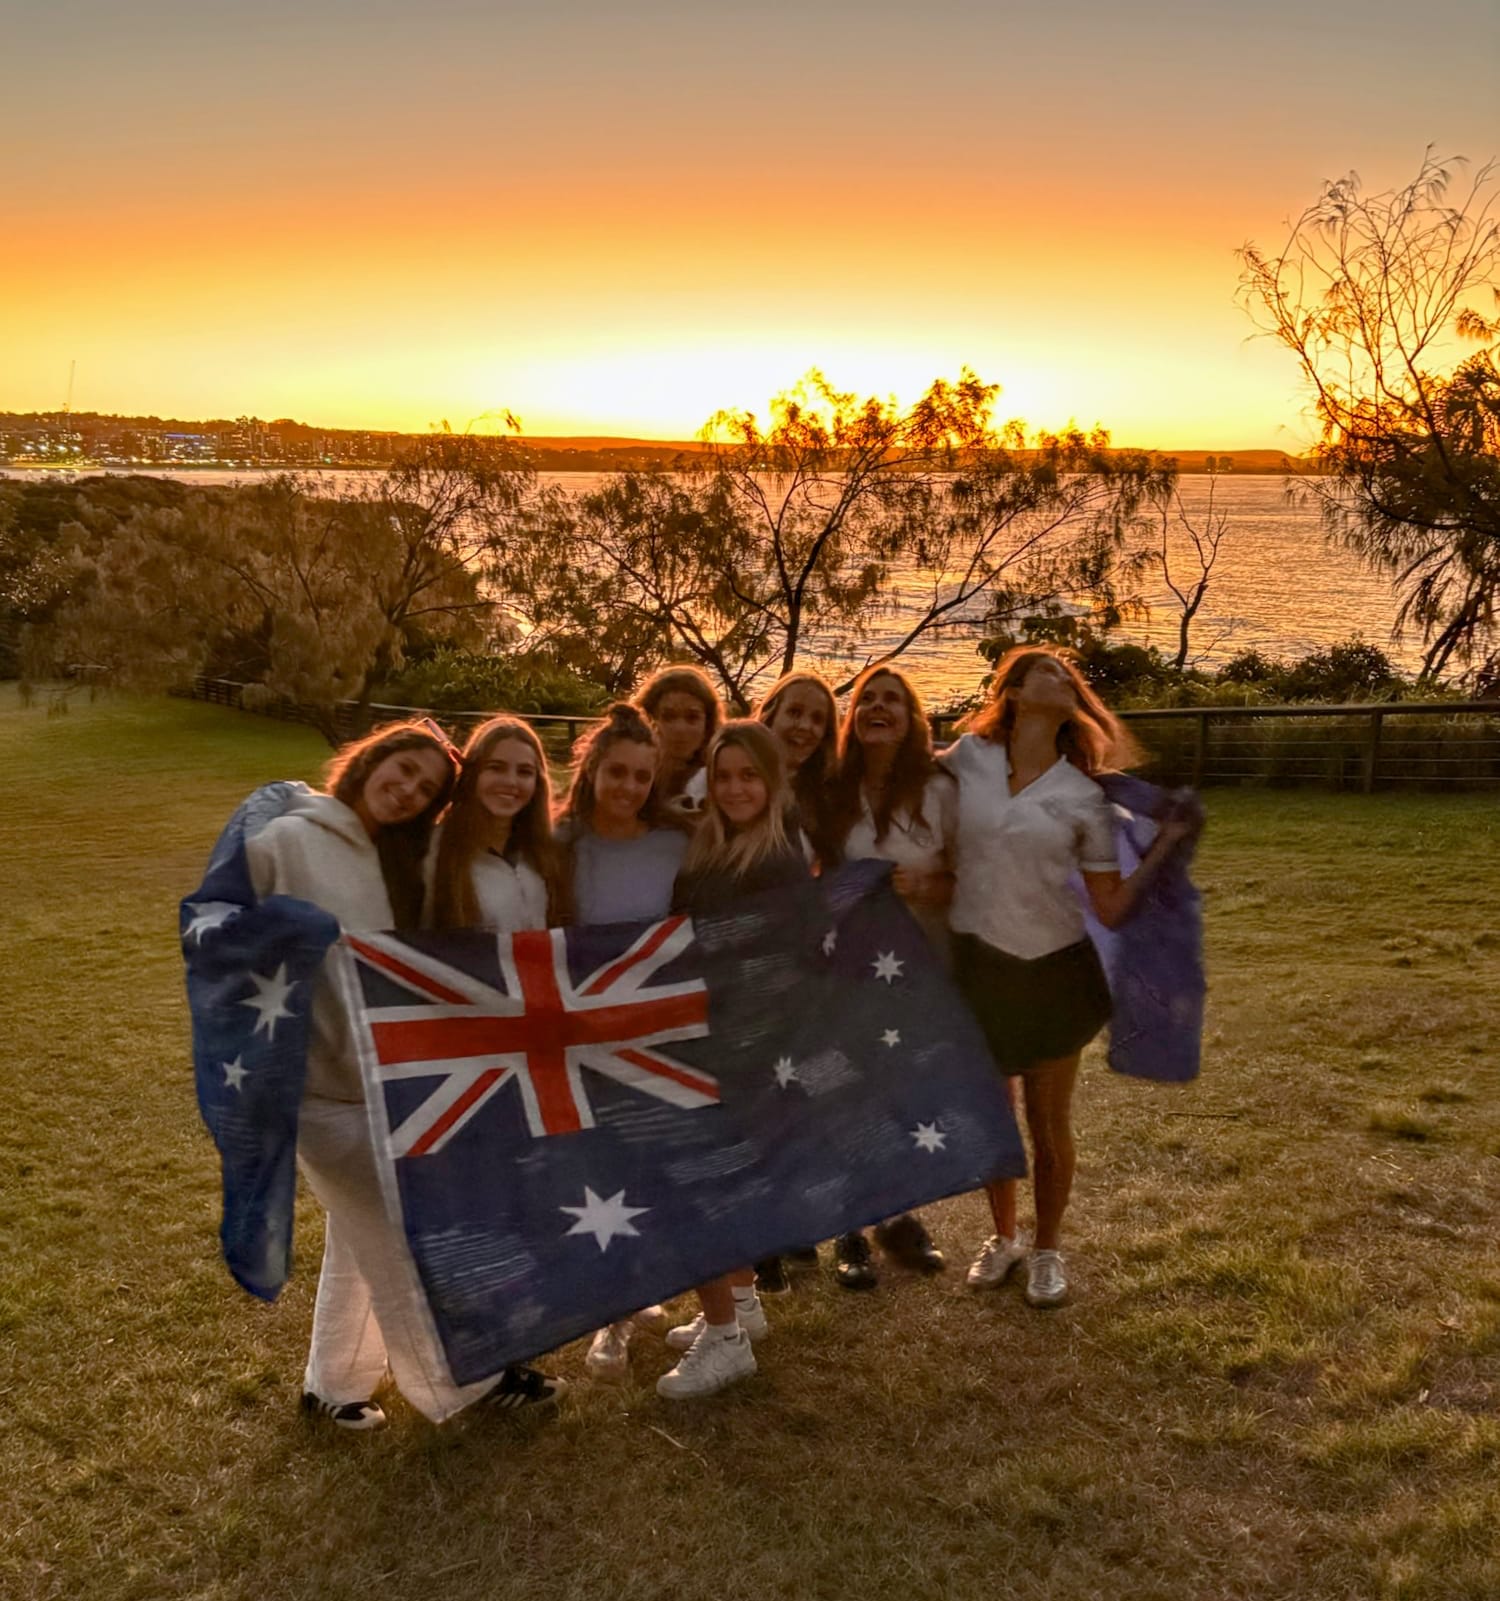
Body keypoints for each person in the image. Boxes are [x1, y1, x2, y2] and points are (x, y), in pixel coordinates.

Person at [244, 719, 565, 1427]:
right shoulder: (292, 837)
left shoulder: (397, 856)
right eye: (402, 769)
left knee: (357, 1233)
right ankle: (469, 1379)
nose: (409, 789)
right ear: (369, 758)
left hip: (384, 1078)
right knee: (401, 1232)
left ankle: (331, 1382)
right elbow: (228, 922)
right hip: (319, 1080)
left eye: (426, 786)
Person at [945, 647, 1198, 1308]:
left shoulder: (1083, 796)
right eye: (1047, 672)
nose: (1063, 679)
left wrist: (1165, 847)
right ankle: (1002, 1238)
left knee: (1047, 1122)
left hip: (1054, 970)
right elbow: (898, 789)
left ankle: (1049, 1250)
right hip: (978, 965)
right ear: (1016, 691)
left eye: (1069, 676)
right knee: (992, 1117)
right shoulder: (966, 760)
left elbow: (1109, 905)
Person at [657, 721, 809, 1399]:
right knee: (724, 1180)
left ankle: (725, 1340)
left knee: (697, 1183)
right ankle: (742, 1301)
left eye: (750, 775)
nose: (736, 787)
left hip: (745, 1043)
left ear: (773, 781)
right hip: (706, 1031)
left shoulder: (776, 858)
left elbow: (790, 960)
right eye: (724, 776)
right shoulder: (709, 848)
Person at [555, 704, 690, 1380]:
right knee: (597, 1168)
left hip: (651, 1029)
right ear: (592, 768)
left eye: (642, 776)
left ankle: (632, 1294)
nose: (629, 786)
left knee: (643, 1165)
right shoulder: (557, 841)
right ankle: (607, 1317)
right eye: (617, 772)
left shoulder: (673, 842)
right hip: (576, 1030)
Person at [826, 665, 955, 1290]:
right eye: (867, 699)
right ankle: (853, 1230)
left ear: (911, 719)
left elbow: (976, 872)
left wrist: (926, 884)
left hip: (923, 964)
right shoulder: (833, 789)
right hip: (849, 968)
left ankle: (899, 1214)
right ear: (853, 717)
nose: (878, 708)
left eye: (892, 702)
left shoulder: (939, 789)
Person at [427, 716, 564, 932]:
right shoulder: (435, 853)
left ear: (538, 783)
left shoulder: (546, 853)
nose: (511, 782)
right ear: (473, 773)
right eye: (496, 768)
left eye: (524, 772)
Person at [754, 670, 841, 867]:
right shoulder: (731, 782)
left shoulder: (825, 799)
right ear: (772, 715)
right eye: (794, 712)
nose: (804, 726)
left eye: (817, 720)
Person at [634, 664, 723, 823]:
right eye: (668, 717)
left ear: (708, 724)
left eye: (692, 718)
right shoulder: (630, 774)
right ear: (648, 719)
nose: (680, 728)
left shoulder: (718, 780)